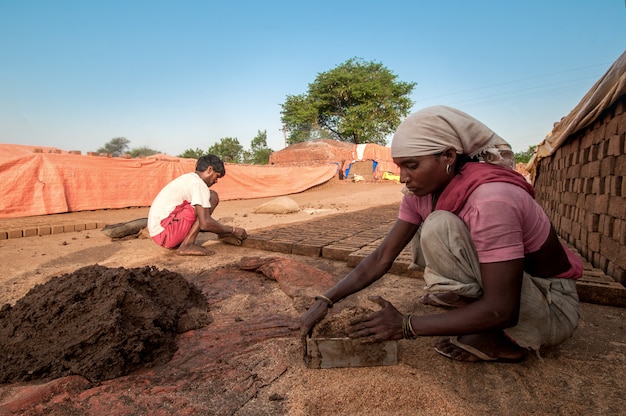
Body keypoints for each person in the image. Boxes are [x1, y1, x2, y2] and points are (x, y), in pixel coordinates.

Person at [299, 105, 582, 362]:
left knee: (438, 226)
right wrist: (326, 300)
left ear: (448, 156)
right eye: (400, 166)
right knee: (437, 224)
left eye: (412, 165)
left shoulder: (492, 200)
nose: (403, 177)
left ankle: (502, 341)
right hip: (514, 294)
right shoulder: (419, 193)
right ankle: (476, 320)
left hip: (549, 306)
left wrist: (406, 326)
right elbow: (382, 257)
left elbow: (503, 308)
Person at [147, 154, 248, 256]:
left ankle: (187, 242)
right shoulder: (198, 184)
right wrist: (233, 230)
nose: (216, 181)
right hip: (166, 234)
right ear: (209, 169)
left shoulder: (189, 178)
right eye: (216, 176)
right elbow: (205, 223)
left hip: (160, 233)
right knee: (212, 197)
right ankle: (187, 245)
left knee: (206, 201)